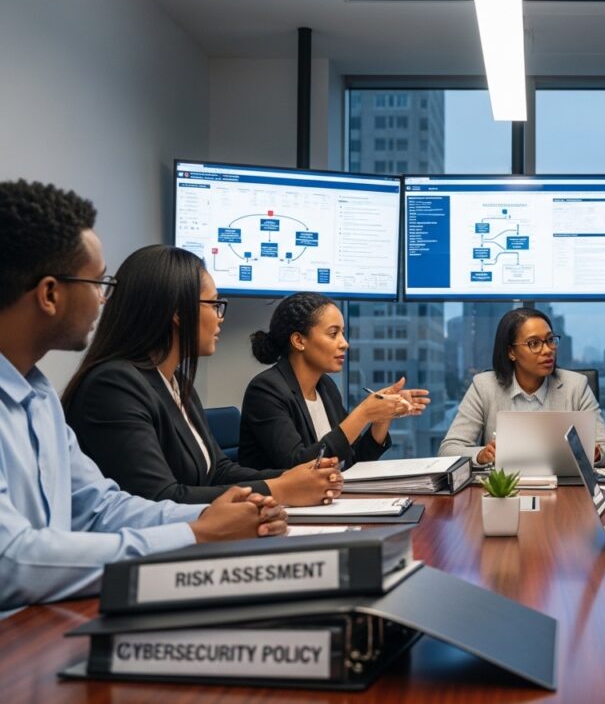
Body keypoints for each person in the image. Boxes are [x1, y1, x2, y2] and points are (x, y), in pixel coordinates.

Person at [0, 180, 285, 609]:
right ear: (50, 294)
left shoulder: (38, 398)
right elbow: (12, 561)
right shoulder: (109, 383)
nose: (103, 300)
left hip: (39, 631)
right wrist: (196, 533)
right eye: (98, 283)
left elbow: (99, 509)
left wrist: (212, 516)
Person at [63, 245, 342, 506]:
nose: (219, 317)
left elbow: (217, 470)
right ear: (178, 313)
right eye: (213, 304)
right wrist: (279, 489)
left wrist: (288, 479)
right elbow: (157, 497)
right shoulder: (113, 386)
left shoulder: (176, 382)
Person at [239, 292, 429, 471]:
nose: (344, 343)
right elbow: (298, 466)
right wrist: (363, 414)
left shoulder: (326, 387)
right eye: (333, 334)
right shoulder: (265, 390)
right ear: (299, 340)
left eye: (343, 333)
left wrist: (383, 415)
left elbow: (354, 461)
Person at [439, 307, 605, 466]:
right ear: (511, 352)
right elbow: (449, 450)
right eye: (534, 343)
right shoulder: (484, 386)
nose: (547, 350)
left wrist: (596, 454)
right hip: (505, 493)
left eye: (550, 340)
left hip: (564, 490)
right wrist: (481, 455)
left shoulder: (575, 386)